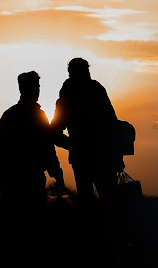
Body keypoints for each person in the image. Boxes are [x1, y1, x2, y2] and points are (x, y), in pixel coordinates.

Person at [52, 58, 124, 211]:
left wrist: (73, 146)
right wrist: (117, 156)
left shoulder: (67, 97)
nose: (87, 75)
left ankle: (92, 230)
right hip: (103, 156)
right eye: (85, 71)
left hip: (86, 159)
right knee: (108, 202)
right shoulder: (95, 91)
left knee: (89, 203)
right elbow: (112, 124)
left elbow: (55, 132)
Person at [0, 71, 65, 225]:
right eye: (36, 87)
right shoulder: (37, 115)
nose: (38, 90)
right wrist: (57, 173)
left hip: (11, 180)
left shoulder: (8, 115)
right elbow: (47, 147)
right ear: (26, 89)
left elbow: (1, 151)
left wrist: (0, 178)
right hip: (31, 179)